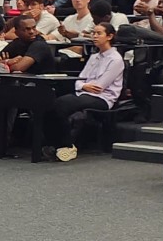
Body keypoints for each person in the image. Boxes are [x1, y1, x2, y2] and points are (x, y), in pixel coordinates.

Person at [45, 22, 124, 163]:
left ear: (110, 36)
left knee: (63, 104)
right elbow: (79, 79)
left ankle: (67, 145)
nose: (94, 36)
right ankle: (54, 142)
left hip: (103, 99)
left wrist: (83, 85)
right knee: (52, 102)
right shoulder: (94, 57)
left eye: (99, 33)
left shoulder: (116, 59)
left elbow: (99, 86)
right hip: (84, 93)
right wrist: (83, 86)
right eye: (94, 33)